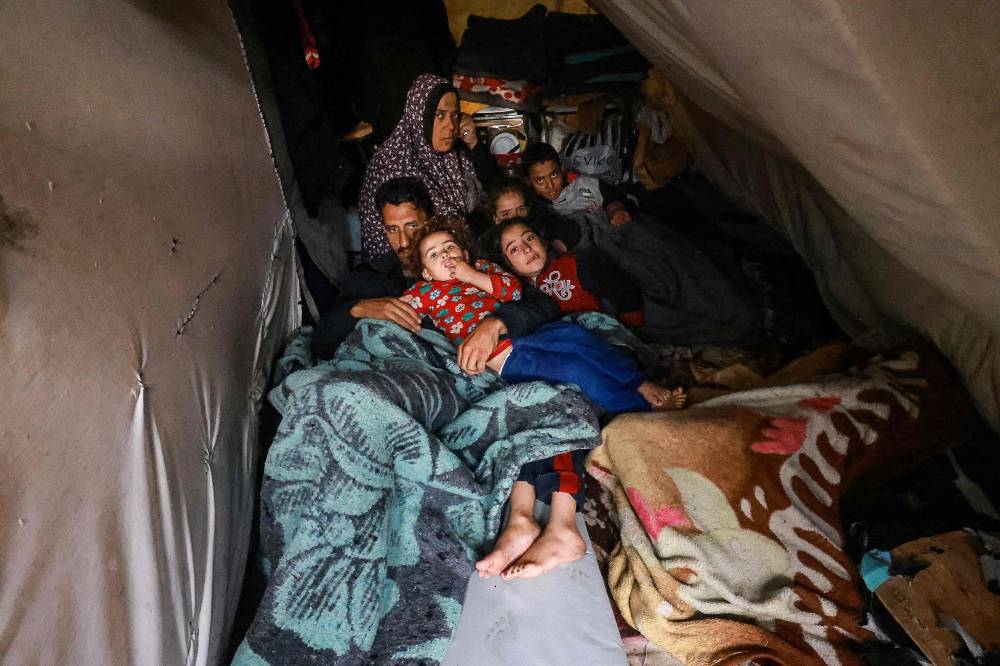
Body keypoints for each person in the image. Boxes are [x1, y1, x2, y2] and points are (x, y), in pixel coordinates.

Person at [313, 177, 591, 580]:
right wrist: (359, 309)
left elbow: (537, 302)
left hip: (481, 366)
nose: (403, 240)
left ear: (430, 220)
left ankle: (548, 525)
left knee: (545, 395)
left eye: (412, 226)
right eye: (392, 229)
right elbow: (323, 339)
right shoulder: (372, 278)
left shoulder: (464, 259)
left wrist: (494, 324)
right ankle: (516, 522)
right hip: (416, 376)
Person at [400, 217, 685, 580]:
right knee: (573, 370)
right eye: (435, 255)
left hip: (524, 335)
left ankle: (639, 386)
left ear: (466, 253)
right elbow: (393, 309)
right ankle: (640, 406)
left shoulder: (482, 271)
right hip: (505, 359)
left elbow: (512, 291)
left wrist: (471, 275)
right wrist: (361, 307)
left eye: (451, 248)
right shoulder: (425, 294)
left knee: (576, 338)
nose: (446, 256)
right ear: (426, 273)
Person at [357, 73, 497, 261]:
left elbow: (492, 190)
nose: (451, 125)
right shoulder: (395, 165)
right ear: (419, 116)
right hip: (401, 266)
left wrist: (473, 142)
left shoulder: (443, 154)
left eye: (455, 115)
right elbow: (450, 227)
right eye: (440, 115)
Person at [482, 217, 646, 329]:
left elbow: (621, 290)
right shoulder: (516, 292)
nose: (527, 249)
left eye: (529, 238)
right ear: (509, 264)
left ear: (543, 242)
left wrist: (632, 328)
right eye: (514, 249)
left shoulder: (575, 264)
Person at [520, 141, 632, 226]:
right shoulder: (532, 207)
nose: (550, 186)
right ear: (528, 181)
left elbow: (616, 197)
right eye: (540, 180)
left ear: (562, 169)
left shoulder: (586, 185)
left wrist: (615, 210)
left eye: (554, 175)